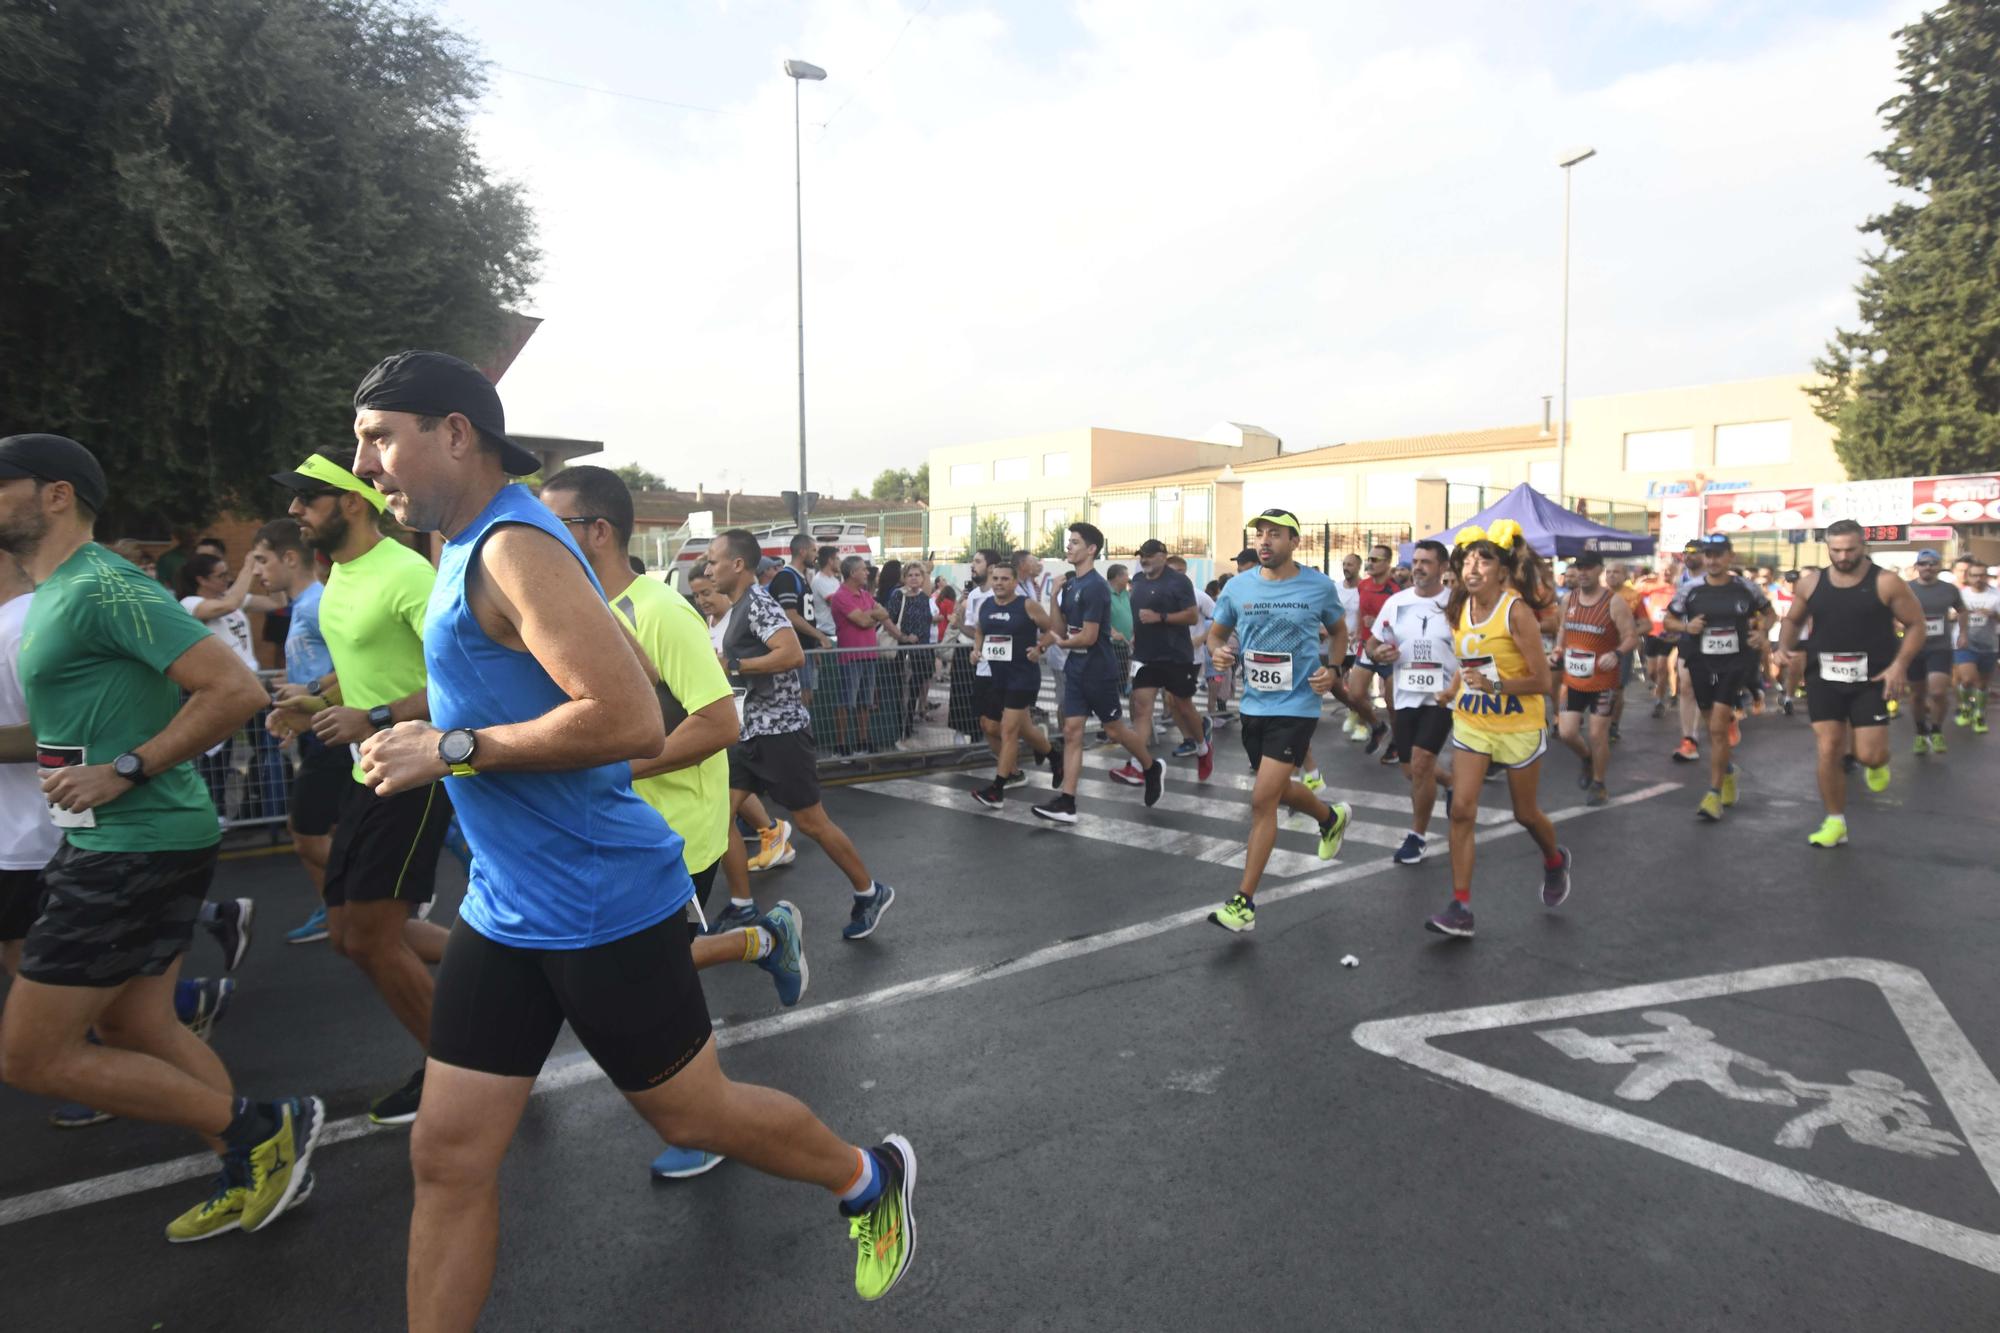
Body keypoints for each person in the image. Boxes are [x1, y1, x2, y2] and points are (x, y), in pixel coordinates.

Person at [344, 355, 914, 1323]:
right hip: (506, 903)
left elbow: (625, 720)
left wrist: (448, 747)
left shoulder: (513, 548)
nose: (364, 465)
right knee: (445, 1157)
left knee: (693, 1113)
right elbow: (489, 684)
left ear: (453, 432)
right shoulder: (459, 545)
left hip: (598, 898)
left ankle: (867, 1176)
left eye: (378, 436)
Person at [0, 433, 321, 1241]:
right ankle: (255, 1160)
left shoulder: (103, 585)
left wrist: (125, 768)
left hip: (134, 837)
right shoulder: (60, 592)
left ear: (57, 495)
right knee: (140, 1024)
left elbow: (236, 688)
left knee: (30, 1055)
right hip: (118, 835)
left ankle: (263, 1128)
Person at [272, 448, 453, 1126]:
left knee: (375, 937)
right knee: (350, 936)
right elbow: (366, 667)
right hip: (365, 773)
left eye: (307, 499)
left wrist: (373, 716)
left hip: (415, 770)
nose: (295, 511)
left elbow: (459, 681)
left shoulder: (407, 574)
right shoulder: (343, 576)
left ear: (352, 502)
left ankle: (458, 1071)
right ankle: (496, 971)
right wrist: (308, 698)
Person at [705, 529, 901, 941]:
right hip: (749, 732)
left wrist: (736, 666)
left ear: (737, 564)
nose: (708, 569)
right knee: (719, 816)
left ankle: (870, 892)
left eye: (712, 561)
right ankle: (742, 906)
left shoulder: (758, 603)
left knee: (812, 822)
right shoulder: (738, 606)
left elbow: (791, 654)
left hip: (781, 733)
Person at [1203, 509, 1353, 932]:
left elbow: (1339, 633)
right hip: (1254, 706)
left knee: (1262, 799)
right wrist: (1217, 650)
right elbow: (1217, 633)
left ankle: (1243, 903)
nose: (1264, 541)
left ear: (1294, 542)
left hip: (1298, 706)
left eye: (1274, 534)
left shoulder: (1318, 586)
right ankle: (1330, 817)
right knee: (1279, 789)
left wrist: (1335, 669)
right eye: (1259, 534)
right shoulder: (1237, 586)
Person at [1425, 519, 1571, 939]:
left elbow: (1542, 683)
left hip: (1518, 724)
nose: (1471, 568)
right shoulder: (1458, 607)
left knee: (1524, 813)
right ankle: (1461, 906)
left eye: (1483, 560)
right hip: (1473, 720)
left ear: (1502, 570)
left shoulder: (1516, 612)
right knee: (1461, 809)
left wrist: (1496, 686)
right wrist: (1453, 690)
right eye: (1467, 559)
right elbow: (1467, 658)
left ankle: (1554, 859)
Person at [1776, 521, 1925, 847]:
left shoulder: (1886, 582)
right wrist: (1783, 647)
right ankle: (1835, 821)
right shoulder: (1811, 583)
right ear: (1828, 547)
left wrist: (1900, 665)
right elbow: (1793, 619)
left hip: (1872, 679)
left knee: (1870, 755)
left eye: (1850, 550)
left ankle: (1875, 762)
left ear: (1863, 546)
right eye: (1836, 550)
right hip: (1823, 677)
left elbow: (1916, 625)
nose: (1843, 556)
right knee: (1828, 748)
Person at [249, 518, 347, 946]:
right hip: (317, 728)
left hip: (335, 729)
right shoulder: (303, 604)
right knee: (323, 830)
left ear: (290, 558)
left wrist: (306, 695)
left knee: (306, 834)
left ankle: (364, 897)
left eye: (262, 559)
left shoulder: (318, 603)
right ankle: (342, 907)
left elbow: (352, 666)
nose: (257, 571)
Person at [1032, 523, 1163, 824]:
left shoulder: (1095, 587)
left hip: (1098, 670)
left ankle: (1150, 766)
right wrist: (1053, 597)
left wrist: (1062, 643)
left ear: (1091, 549)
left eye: (1075, 542)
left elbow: (1089, 637)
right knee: (1072, 731)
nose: (1069, 547)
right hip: (1075, 667)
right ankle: (1067, 802)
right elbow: (1059, 629)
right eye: (1069, 542)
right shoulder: (1071, 585)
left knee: (1115, 730)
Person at [1664, 534, 1771, 822]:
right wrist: (1688, 626)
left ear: (1730, 557)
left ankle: (1712, 794)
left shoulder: (1746, 588)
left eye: (1718, 554)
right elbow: (1668, 620)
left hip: (1735, 663)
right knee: (1713, 728)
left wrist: (1762, 633)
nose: (1712, 560)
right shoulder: (1691, 589)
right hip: (1702, 663)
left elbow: (1769, 613)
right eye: (1708, 554)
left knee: (1720, 726)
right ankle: (1727, 772)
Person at [1367, 539, 1456, 864]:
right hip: (1404, 696)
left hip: (1441, 697)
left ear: (1443, 568)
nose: (1418, 567)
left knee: (1420, 765)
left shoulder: (1457, 604)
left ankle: (1417, 837)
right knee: (1411, 770)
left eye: (1427, 562)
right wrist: (1378, 653)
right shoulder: (1397, 602)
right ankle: (1450, 783)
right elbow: (1372, 645)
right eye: (1416, 561)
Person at [969, 559, 1058, 807]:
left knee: (1009, 730)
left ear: (1014, 582)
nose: (998, 583)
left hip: (1023, 677)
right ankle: (1053, 753)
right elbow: (980, 631)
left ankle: (997, 790)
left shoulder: (1027, 605)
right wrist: (976, 651)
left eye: (1004, 579)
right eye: (995, 579)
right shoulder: (986, 605)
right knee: (992, 726)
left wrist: (1039, 648)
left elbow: (1054, 630)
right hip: (998, 677)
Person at [1554, 552, 1639, 806]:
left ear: (1599, 570)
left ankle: (1599, 784)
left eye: (1588, 568)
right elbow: (1562, 629)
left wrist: (1617, 653)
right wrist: (1558, 650)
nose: (1582, 572)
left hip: (1603, 682)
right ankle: (1587, 759)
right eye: (1579, 567)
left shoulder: (1614, 603)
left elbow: (1631, 636)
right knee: (1566, 733)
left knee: (1597, 734)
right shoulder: (1568, 600)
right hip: (1574, 680)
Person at [1125, 539, 1212, 781]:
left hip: (1175, 655)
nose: (1145, 559)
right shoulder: (1139, 580)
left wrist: (1160, 617)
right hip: (1145, 656)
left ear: (1163, 556)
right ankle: (1138, 764)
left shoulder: (1178, 582)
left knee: (1182, 706)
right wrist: (1136, 633)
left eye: (1150, 555)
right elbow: (1139, 613)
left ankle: (1203, 747)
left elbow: (1193, 616)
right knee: (1141, 708)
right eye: (1142, 555)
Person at [1905, 550, 1964, 755]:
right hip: (1913, 647)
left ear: (1939, 566)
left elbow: (1962, 610)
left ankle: (1937, 730)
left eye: (1932, 563)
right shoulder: (1906, 589)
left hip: (1940, 647)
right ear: (1917, 567)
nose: (1928, 567)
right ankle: (1920, 732)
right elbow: (1891, 611)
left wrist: (1963, 633)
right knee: (1917, 695)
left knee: (1938, 692)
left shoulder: (1949, 590)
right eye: (1923, 564)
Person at [826, 555, 885, 755]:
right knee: (846, 701)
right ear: (852, 573)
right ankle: (840, 744)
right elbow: (862, 620)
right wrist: (871, 616)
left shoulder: (864, 594)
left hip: (869, 654)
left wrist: (870, 616)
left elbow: (882, 613)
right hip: (850, 656)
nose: (867, 572)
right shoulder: (841, 596)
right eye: (863, 569)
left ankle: (862, 740)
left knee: (865, 702)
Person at [1342, 545, 1396, 754]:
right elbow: (1360, 610)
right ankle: (1377, 726)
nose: (1370, 563)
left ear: (1387, 563)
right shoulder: (1363, 585)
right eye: (1369, 559)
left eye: (1375, 559)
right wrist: (1357, 631)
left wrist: (1379, 622)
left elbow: (1403, 622)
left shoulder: (1396, 591)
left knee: (1392, 705)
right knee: (1354, 696)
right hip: (1365, 647)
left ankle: (1396, 744)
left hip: (1389, 651)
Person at [883, 561, 938, 745]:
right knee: (902, 692)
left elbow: (927, 621)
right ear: (904, 578)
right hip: (902, 651)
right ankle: (899, 730)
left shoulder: (924, 598)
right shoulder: (899, 595)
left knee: (914, 691)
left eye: (917, 575)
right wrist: (904, 637)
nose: (914, 578)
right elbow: (888, 620)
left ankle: (908, 726)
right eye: (910, 575)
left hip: (922, 651)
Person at [1953, 560, 1998, 733]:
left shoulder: (1996, 595)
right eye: (1974, 575)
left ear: (1986, 576)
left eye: (1981, 575)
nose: (1978, 578)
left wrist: (1993, 614)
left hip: (1989, 644)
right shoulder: (1960, 595)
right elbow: (1949, 614)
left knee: (1982, 684)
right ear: (1968, 577)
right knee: (1967, 678)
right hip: (1965, 643)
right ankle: (1965, 706)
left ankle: (1979, 713)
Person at [1604, 560, 1647, 739]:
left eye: (1616, 572)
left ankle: (1613, 724)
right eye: (1608, 572)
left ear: (1625, 576)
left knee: (1617, 689)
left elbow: (1647, 625)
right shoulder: (1597, 594)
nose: (1612, 575)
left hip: (1622, 648)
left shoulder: (1634, 596)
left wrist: (1629, 634)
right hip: (1599, 648)